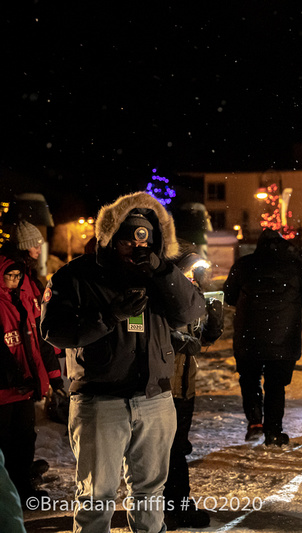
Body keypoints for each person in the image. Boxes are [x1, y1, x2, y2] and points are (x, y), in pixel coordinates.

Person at [40, 191, 206, 533]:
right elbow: (54, 330)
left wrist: (162, 271)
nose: (136, 247)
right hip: (100, 402)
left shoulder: (162, 275)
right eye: (127, 240)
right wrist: (110, 315)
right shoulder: (77, 276)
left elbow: (191, 311)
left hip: (155, 399)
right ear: (111, 239)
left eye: (144, 239)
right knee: (95, 497)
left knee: (149, 494)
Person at [223, 228, 302, 446]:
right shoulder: (294, 267)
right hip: (284, 337)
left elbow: (228, 295)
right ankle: (273, 431)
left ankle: (255, 421)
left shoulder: (244, 265)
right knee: (275, 385)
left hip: (249, 335)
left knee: (250, 379)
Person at [164, 249, 223, 529]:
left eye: (194, 272)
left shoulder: (196, 295)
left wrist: (213, 326)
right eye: (187, 271)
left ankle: (177, 503)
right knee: (167, 449)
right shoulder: (165, 296)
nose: (192, 277)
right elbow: (156, 333)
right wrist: (177, 342)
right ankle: (168, 506)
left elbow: (199, 337)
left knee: (179, 447)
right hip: (163, 386)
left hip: (185, 386)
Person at [0, 256, 61, 501]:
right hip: (4, 390)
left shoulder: (24, 301)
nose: (14, 281)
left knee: (24, 441)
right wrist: (15, 375)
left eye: (18, 276)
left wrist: (54, 378)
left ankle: (23, 490)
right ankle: (6, 497)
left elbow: (39, 343)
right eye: (9, 276)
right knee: (3, 444)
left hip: (24, 387)